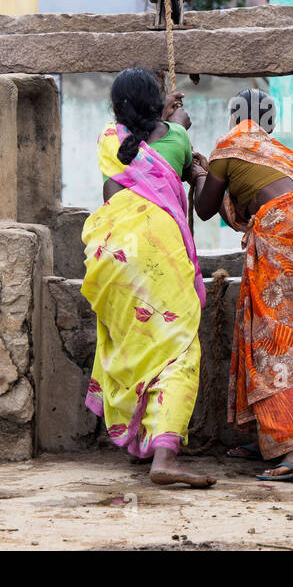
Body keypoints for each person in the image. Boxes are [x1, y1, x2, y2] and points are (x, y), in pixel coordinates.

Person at [187, 88, 293, 481]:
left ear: (233, 117)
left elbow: (207, 209)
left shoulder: (229, 144)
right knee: (292, 337)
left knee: (276, 345)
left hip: (280, 236)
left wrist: (199, 173)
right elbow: (258, 196)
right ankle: (273, 436)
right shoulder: (286, 155)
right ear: (271, 123)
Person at [80, 67, 215, 487]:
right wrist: (175, 123)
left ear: (116, 108)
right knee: (177, 348)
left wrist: (162, 115)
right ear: (159, 105)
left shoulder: (108, 139)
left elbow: (126, 166)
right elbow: (172, 146)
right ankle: (165, 457)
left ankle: (143, 435)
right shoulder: (178, 139)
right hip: (159, 257)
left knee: (133, 342)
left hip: (112, 254)